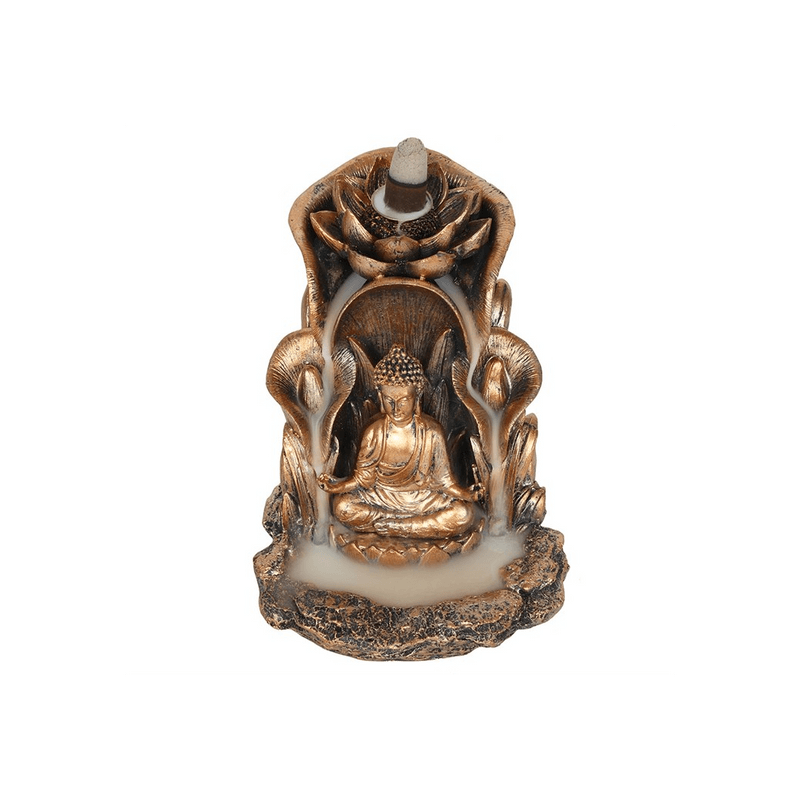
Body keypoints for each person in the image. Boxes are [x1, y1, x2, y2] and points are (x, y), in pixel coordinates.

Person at [318, 345, 482, 538]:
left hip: (422, 498)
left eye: (403, 401)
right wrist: (337, 486)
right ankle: (412, 526)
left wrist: (467, 494)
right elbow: (362, 479)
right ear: (380, 397)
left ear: (417, 397)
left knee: (463, 514)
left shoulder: (431, 432)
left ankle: (400, 527)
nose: (396, 408)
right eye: (389, 400)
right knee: (343, 507)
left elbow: (444, 482)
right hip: (382, 497)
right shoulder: (374, 432)